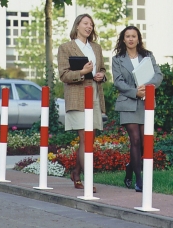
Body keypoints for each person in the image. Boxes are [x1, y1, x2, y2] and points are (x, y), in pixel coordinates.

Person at [57, 14, 106, 193]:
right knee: (85, 138)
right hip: (77, 95)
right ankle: (88, 178)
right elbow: (63, 75)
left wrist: (101, 75)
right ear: (77, 25)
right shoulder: (66, 47)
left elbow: (101, 69)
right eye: (85, 23)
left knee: (89, 139)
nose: (89, 27)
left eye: (91, 24)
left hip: (94, 93)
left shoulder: (96, 48)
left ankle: (76, 173)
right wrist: (82, 71)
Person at [112, 26, 163, 192]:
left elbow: (158, 75)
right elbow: (118, 82)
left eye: (134, 36)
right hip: (127, 102)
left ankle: (129, 168)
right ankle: (139, 180)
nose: (131, 39)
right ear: (123, 39)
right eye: (127, 36)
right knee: (134, 140)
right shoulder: (117, 59)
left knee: (142, 143)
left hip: (145, 102)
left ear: (138, 38)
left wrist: (147, 87)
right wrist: (135, 92)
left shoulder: (147, 56)